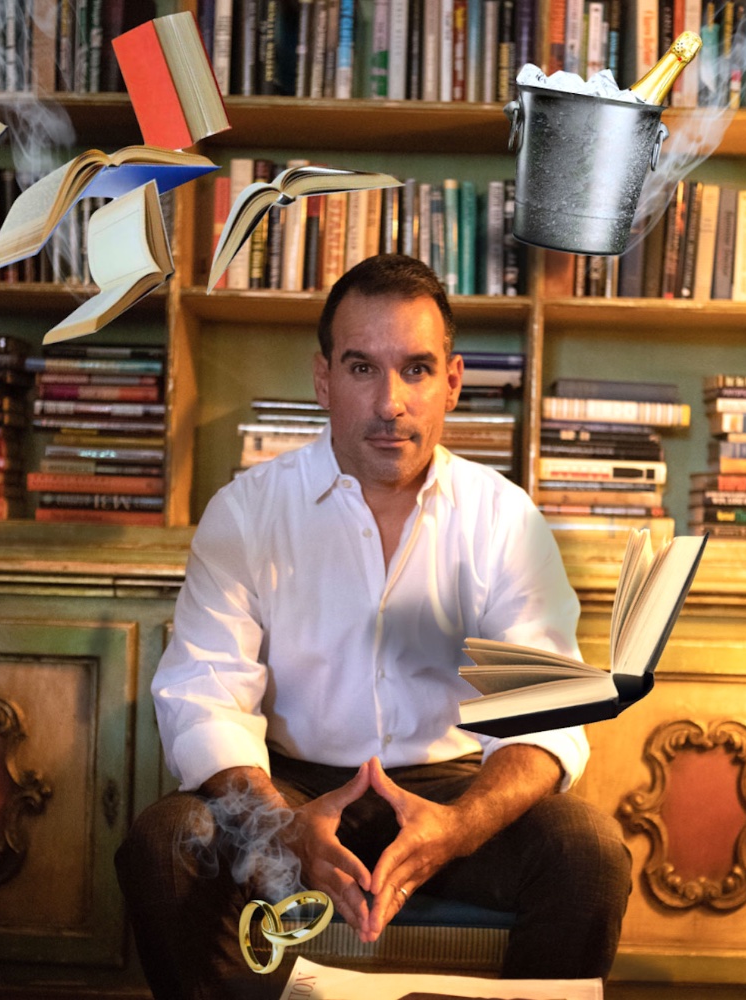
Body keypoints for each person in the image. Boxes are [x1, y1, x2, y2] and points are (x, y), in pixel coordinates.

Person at [116, 254, 632, 1000]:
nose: (391, 401)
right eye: (363, 368)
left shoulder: (504, 519)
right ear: (323, 379)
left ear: (452, 381)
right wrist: (279, 824)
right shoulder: (248, 511)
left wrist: (456, 826)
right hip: (288, 785)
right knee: (166, 843)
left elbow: (548, 720)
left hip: (453, 788)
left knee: (588, 851)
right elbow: (204, 695)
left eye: (416, 369)